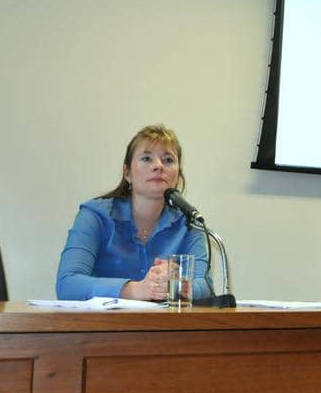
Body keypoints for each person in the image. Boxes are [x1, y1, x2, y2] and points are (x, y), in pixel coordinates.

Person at [56, 124, 212, 301]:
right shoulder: (95, 215)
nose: (158, 166)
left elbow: (205, 286)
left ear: (178, 176)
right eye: (146, 158)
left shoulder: (189, 223)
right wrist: (134, 290)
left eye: (168, 160)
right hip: (101, 326)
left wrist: (177, 284)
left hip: (164, 327)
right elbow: (67, 284)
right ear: (127, 173)